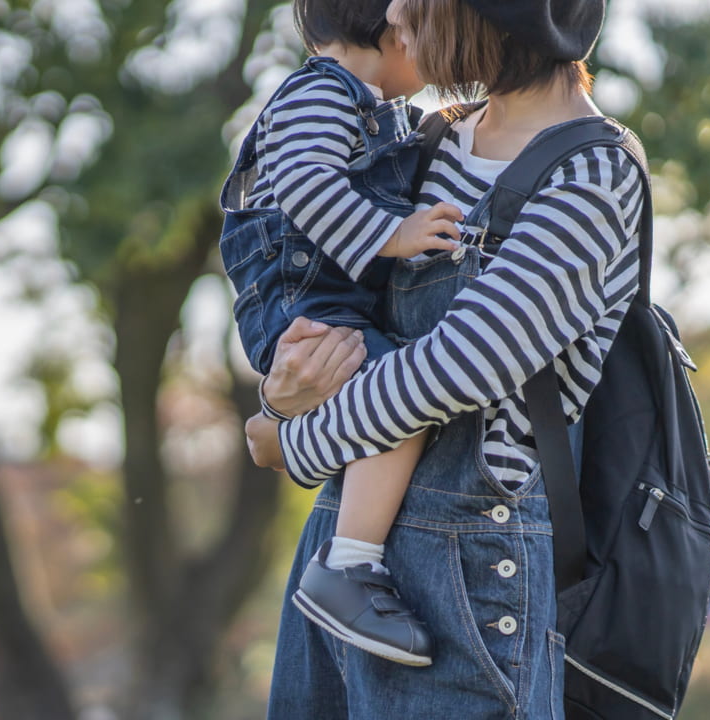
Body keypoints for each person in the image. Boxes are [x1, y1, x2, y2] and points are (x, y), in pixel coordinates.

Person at [245, 0, 644, 716]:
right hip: (336, 556)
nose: (394, 8)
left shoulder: (592, 177)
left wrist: (285, 442)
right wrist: (281, 399)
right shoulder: (424, 142)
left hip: (464, 584)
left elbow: (452, 370)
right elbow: (334, 323)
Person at [219, 0, 468, 666]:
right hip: (301, 300)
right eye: (431, 34)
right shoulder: (318, 93)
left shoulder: (368, 106)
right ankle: (348, 567)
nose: (443, 56)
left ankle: (340, 535)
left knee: (390, 404)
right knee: (399, 402)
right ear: (396, 30)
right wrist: (394, 235)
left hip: (328, 297)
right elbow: (304, 182)